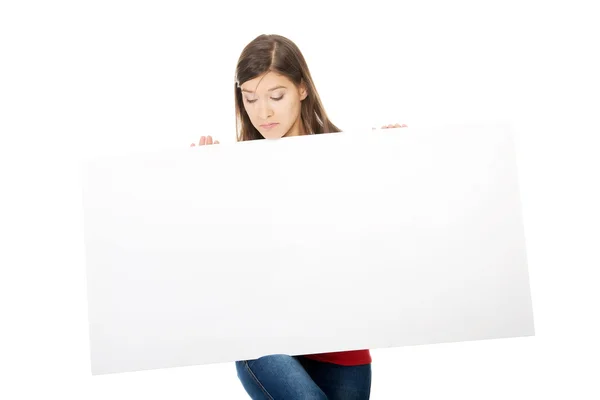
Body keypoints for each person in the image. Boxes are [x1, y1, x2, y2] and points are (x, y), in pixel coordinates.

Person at [190, 33, 406, 400]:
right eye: (250, 99)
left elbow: (391, 239)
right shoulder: (234, 170)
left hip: (343, 349)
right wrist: (197, 186)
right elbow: (212, 261)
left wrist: (399, 162)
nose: (263, 113)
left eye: (276, 96)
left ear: (302, 89)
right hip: (267, 344)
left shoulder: (349, 156)